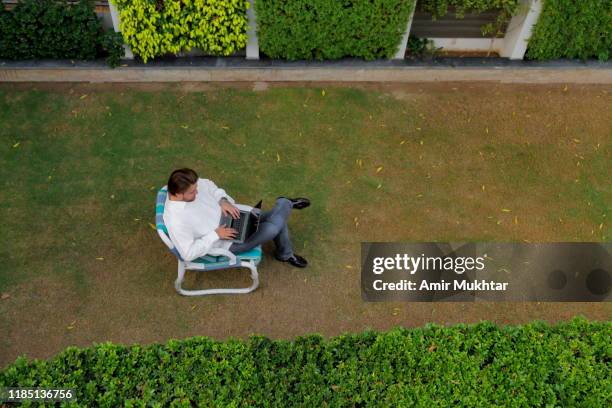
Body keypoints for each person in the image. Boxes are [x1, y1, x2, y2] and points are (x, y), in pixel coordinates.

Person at [163, 168, 310, 268]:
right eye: (192, 193)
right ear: (178, 193)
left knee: (276, 221)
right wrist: (215, 234)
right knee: (273, 227)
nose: (197, 193)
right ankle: (285, 203)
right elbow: (188, 254)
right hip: (225, 242)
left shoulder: (188, 185)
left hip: (232, 216)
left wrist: (223, 201)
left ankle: (285, 253)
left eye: (196, 189)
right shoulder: (175, 220)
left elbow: (209, 185)